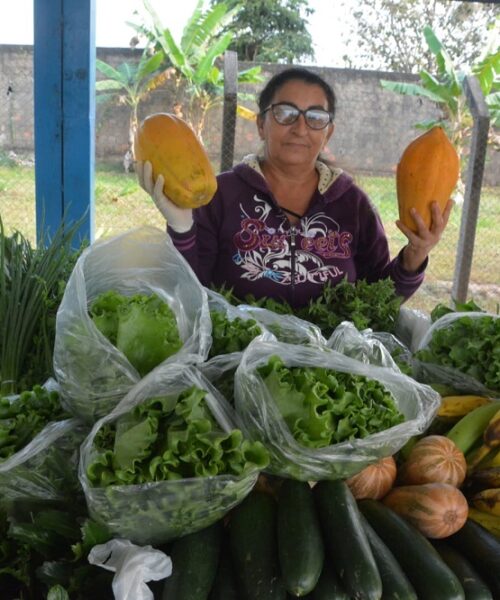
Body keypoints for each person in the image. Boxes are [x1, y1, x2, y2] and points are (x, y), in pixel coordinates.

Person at [136, 67, 453, 308]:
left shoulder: (353, 204)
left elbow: (379, 301)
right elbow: (188, 288)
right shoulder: (221, 195)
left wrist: (415, 255)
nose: (300, 128)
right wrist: (181, 225)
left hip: (329, 369)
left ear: (327, 133)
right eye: (285, 113)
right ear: (262, 124)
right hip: (233, 359)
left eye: (316, 117)